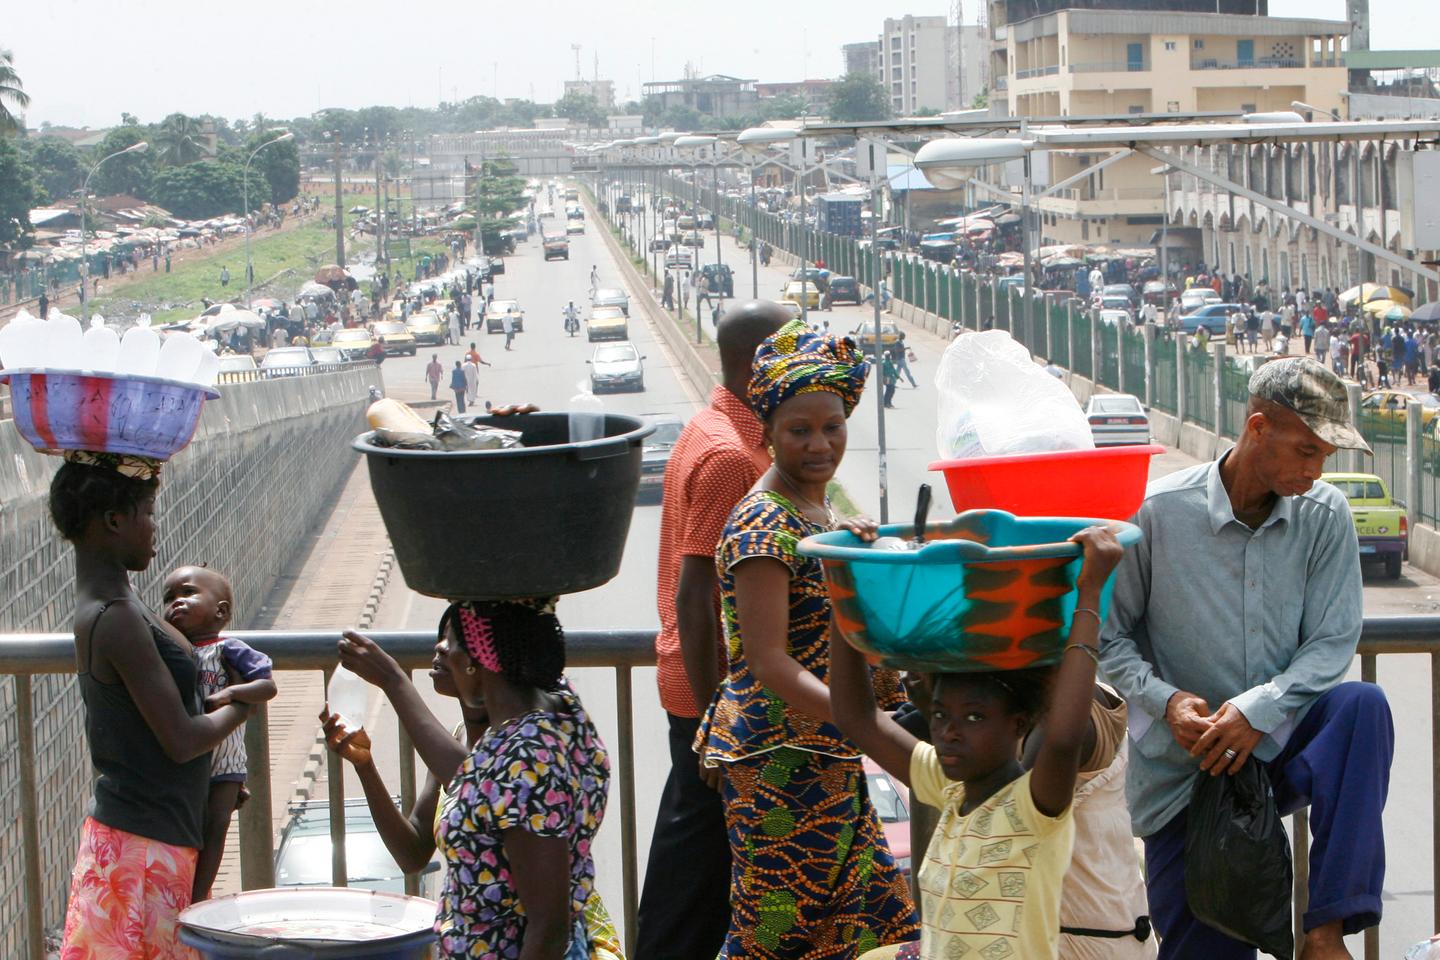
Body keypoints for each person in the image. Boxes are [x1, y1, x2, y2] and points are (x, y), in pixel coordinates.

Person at [1101, 357, 1395, 959]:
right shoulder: (1157, 512)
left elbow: (1333, 641)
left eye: (1325, 459)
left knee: (1362, 705)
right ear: (1257, 428)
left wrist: (1258, 708)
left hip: (1277, 746)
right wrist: (1169, 701)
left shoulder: (1325, 516)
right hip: (1191, 770)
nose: (1315, 472)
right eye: (1306, 451)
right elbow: (1110, 637)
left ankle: (1326, 931)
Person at [697, 320, 920, 959]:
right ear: (766, 431)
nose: (820, 444)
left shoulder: (816, 513)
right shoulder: (764, 522)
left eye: (833, 427)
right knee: (773, 936)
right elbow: (767, 661)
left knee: (878, 926)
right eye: (800, 430)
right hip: (778, 764)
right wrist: (865, 719)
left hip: (830, 755)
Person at [831, 528, 1128, 960]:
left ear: (1018, 723)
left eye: (974, 717)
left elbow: (1063, 739)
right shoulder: (947, 786)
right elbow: (855, 717)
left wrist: (1089, 593)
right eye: (939, 715)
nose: (949, 731)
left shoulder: (1034, 808)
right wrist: (848, 589)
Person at [320, 618, 623, 960]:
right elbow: (412, 853)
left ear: (481, 661)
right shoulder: (457, 737)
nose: (440, 649)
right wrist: (365, 765)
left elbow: (477, 781)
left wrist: (394, 681)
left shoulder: (519, 754)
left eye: (452, 639)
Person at [52, 457, 251, 957]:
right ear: (114, 521)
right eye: (147, 511)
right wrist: (245, 703)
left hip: (142, 842)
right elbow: (182, 740)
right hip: (140, 853)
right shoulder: (116, 617)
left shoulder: (118, 602)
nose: (154, 525)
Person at [636, 302, 788, 960]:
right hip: (714, 704)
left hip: (707, 700)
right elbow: (696, 599)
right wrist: (714, 729)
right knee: (695, 888)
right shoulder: (730, 457)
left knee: (700, 878)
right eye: (790, 352)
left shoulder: (717, 431)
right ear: (757, 363)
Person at [160, 565, 277, 903]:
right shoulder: (170, 651)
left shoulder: (228, 649)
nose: (176, 603)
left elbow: (266, 686)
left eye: (188, 593)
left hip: (225, 762)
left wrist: (232, 695)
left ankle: (197, 898)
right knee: (190, 827)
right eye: (169, 598)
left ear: (221, 611)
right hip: (187, 760)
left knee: (217, 826)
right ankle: (181, 887)